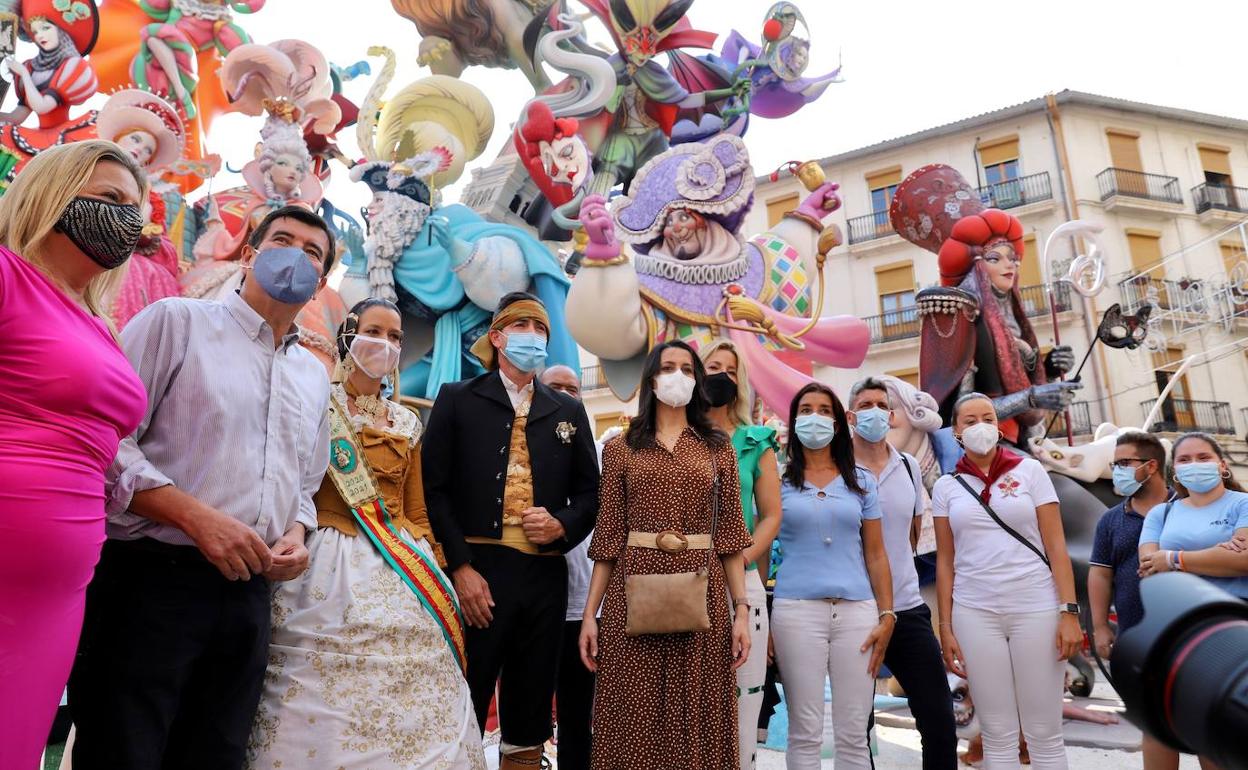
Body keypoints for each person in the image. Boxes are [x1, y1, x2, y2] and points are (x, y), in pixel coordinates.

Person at [69, 205, 338, 770]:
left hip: (247, 594)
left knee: (216, 751)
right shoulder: (176, 322)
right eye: (282, 240)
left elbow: (306, 484)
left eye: (312, 252)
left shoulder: (313, 375)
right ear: (248, 255)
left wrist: (295, 533)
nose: (296, 256)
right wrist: (194, 517)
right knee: (125, 746)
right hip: (151, 577)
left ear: (321, 281)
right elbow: (106, 442)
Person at [246, 298, 485, 769]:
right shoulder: (316, 404)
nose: (388, 344)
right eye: (376, 332)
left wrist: (431, 560)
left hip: (401, 562)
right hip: (324, 564)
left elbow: (415, 508)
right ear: (349, 335)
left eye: (397, 337)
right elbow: (297, 487)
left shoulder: (407, 421)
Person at [0, 141, 148, 770]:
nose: (129, 220)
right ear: (54, 193)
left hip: (59, 592)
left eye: (137, 208)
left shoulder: (99, 324)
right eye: (111, 199)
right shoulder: (8, 276)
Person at [421, 292, 599, 770]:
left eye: (540, 329)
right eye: (522, 326)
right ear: (497, 337)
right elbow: (432, 488)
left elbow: (591, 495)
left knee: (530, 705)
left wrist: (562, 524)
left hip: (544, 575)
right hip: (478, 571)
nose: (534, 337)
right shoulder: (458, 399)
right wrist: (459, 566)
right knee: (466, 696)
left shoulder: (566, 410)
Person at [580, 340, 753, 770]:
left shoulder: (718, 448)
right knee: (631, 716)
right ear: (651, 378)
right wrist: (590, 615)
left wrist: (742, 611)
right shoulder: (620, 447)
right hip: (630, 593)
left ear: (698, 382)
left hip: (704, 593)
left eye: (688, 369)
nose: (678, 376)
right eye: (668, 367)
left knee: (699, 715)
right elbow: (608, 537)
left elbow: (730, 536)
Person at [934, 393, 1082, 770]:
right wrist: (945, 626)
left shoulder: (1030, 471)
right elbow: (946, 561)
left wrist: (1069, 612)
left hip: (1035, 606)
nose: (979, 426)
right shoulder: (946, 487)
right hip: (974, 612)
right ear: (956, 432)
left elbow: (1056, 546)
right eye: (969, 420)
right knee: (997, 732)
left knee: (1044, 732)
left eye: (987, 417)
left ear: (999, 427)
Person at [771, 381, 895, 770]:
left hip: (858, 613)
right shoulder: (775, 481)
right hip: (795, 612)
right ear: (793, 422)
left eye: (824, 410)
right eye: (805, 410)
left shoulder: (862, 481)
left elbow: (876, 555)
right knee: (805, 732)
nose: (815, 418)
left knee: (854, 733)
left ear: (839, 423)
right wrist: (756, 615)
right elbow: (760, 551)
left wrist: (887, 615)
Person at [847, 377, 957, 769]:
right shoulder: (837, 469)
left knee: (939, 720)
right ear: (851, 415)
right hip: (854, 610)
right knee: (855, 727)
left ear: (893, 415)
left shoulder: (909, 466)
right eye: (865, 405)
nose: (874, 411)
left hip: (908, 609)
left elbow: (911, 534)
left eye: (881, 404)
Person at [701, 339, 783, 770]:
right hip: (682, 583)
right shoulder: (675, 437)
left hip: (743, 586)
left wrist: (738, 557)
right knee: (691, 704)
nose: (720, 376)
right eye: (712, 366)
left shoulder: (756, 441)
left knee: (744, 703)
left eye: (731, 371)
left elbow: (771, 516)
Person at [1087, 431, 1174, 770]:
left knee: (1205, 728)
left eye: (1124, 463)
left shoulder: (1187, 508)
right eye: (1115, 464)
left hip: (1193, 635)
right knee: (1153, 726)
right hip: (1138, 636)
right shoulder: (1111, 519)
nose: (1118, 470)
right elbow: (1100, 574)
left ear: (1151, 465)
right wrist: (1098, 627)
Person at [539, 363, 595, 770]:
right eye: (555, 388)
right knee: (529, 713)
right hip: (536, 604)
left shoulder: (599, 461)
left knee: (578, 716)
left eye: (572, 389)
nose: (564, 395)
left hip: (585, 611)